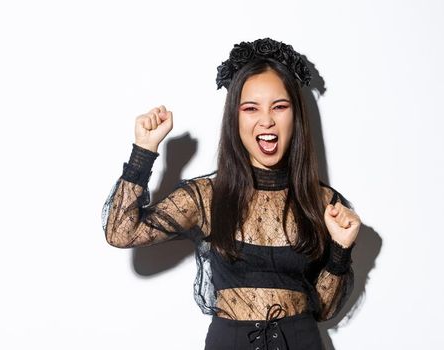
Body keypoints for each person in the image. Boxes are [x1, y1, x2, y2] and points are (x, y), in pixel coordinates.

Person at [101, 37, 361, 350]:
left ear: (296, 116)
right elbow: (121, 232)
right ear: (235, 118)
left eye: (279, 107)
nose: (266, 120)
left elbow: (325, 309)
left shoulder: (322, 202)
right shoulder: (209, 196)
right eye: (251, 108)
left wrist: (340, 250)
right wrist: (144, 151)